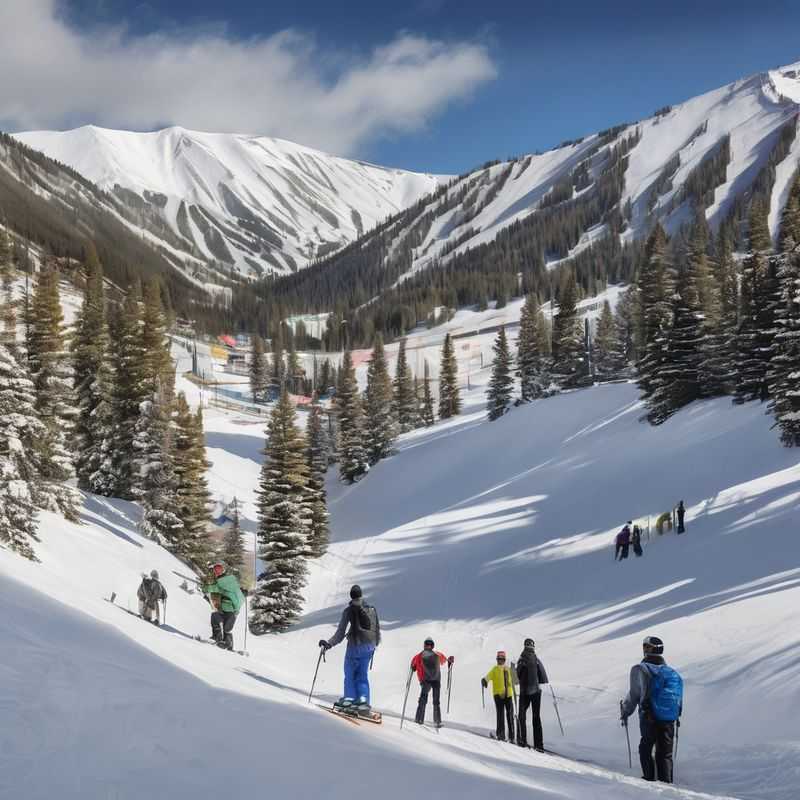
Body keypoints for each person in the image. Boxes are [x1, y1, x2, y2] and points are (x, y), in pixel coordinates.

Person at [620, 636, 683, 784]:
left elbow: (634, 694)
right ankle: (666, 783)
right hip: (669, 718)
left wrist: (625, 711)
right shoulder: (671, 672)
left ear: (649, 649)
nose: (643, 649)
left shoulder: (640, 669)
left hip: (649, 716)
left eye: (645, 646)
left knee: (646, 747)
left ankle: (649, 780)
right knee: (665, 753)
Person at [319, 584, 381, 711]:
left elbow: (341, 633)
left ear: (351, 596)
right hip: (370, 646)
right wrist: (374, 645)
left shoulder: (349, 610)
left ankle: (349, 699)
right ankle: (363, 700)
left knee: (350, 672)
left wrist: (329, 643)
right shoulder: (371, 609)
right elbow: (376, 628)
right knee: (362, 674)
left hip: (355, 645)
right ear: (361, 594)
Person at [410, 638, 454, 727]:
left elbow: (413, 665)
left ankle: (419, 719)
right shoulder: (437, 654)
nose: (428, 646)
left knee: (424, 699)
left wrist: (413, 667)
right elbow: (444, 661)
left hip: (426, 680)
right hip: (435, 680)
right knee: (435, 701)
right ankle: (437, 721)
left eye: (429, 645)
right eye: (428, 645)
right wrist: (449, 661)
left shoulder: (419, 655)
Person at [516, 638, 548, 751]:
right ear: (533, 646)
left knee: (521, 715)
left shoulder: (522, 659)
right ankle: (539, 744)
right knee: (536, 717)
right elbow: (544, 678)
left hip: (525, 692)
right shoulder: (537, 659)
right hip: (536, 692)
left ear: (524, 646)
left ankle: (522, 740)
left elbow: (516, 677)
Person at [202, 562, 244, 650]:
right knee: (221, 623)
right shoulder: (228, 581)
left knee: (220, 623)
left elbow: (214, 588)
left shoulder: (223, 581)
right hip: (228, 608)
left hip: (227, 608)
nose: (216, 572)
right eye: (215, 570)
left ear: (223, 570)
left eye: (218, 570)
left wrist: (205, 588)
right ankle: (223, 641)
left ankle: (223, 641)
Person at [482, 651, 516, 742]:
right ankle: (503, 735)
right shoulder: (495, 669)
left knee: (508, 714)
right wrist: (485, 680)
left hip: (507, 694)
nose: (499, 660)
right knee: (503, 714)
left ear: (504, 660)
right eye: (498, 659)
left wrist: (514, 671)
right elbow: (488, 677)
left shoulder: (508, 669)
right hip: (499, 695)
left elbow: (516, 681)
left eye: (501, 659)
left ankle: (511, 736)